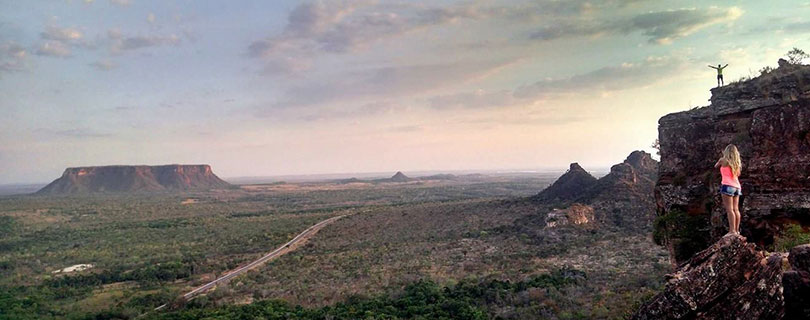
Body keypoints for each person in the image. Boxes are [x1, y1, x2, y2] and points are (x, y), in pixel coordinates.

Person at [714, 144, 742, 237]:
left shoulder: (723, 160)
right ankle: (737, 231)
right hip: (737, 187)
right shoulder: (737, 163)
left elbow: (715, 166)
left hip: (727, 186)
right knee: (736, 209)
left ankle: (732, 231)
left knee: (729, 210)